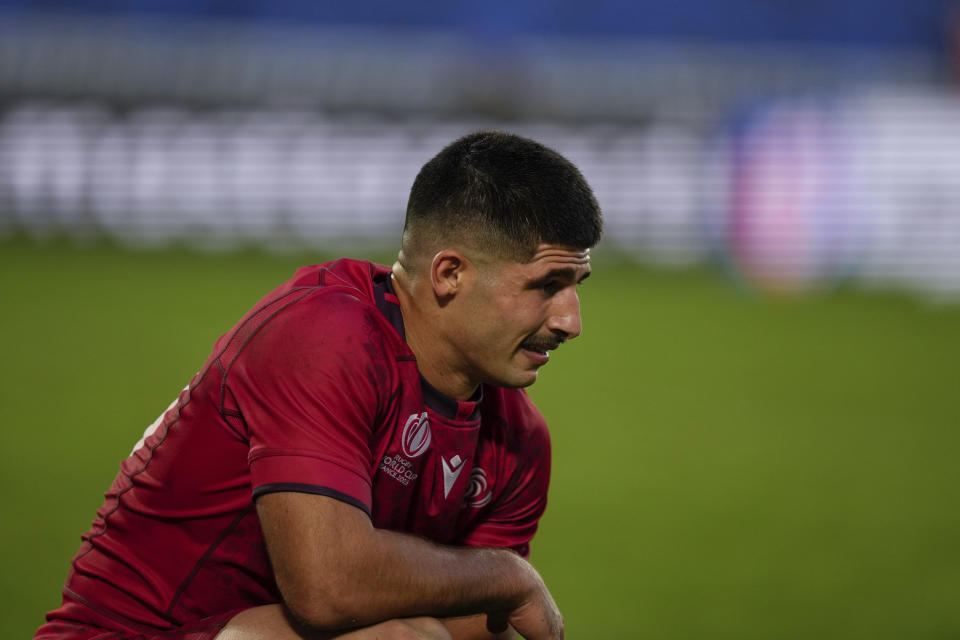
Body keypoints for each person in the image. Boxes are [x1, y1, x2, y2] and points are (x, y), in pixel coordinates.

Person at [35, 130, 602, 640]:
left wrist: (497, 587)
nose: (570, 321)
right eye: (547, 285)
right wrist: (505, 573)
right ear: (449, 274)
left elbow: (485, 623)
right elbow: (328, 587)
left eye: (576, 284)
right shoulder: (326, 336)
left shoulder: (518, 440)